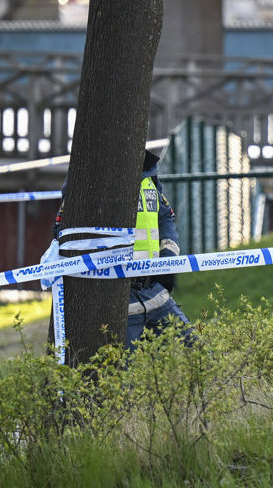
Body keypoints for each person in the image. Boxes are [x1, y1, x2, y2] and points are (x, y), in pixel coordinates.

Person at [52, 142, 192, 348]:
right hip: (117, 297)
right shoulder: (89, 176)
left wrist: (169, 260)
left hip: (155, 291)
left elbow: (166, 218)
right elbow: (64, 232)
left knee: (198, 357)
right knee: (122, 376)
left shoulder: (149, 175)